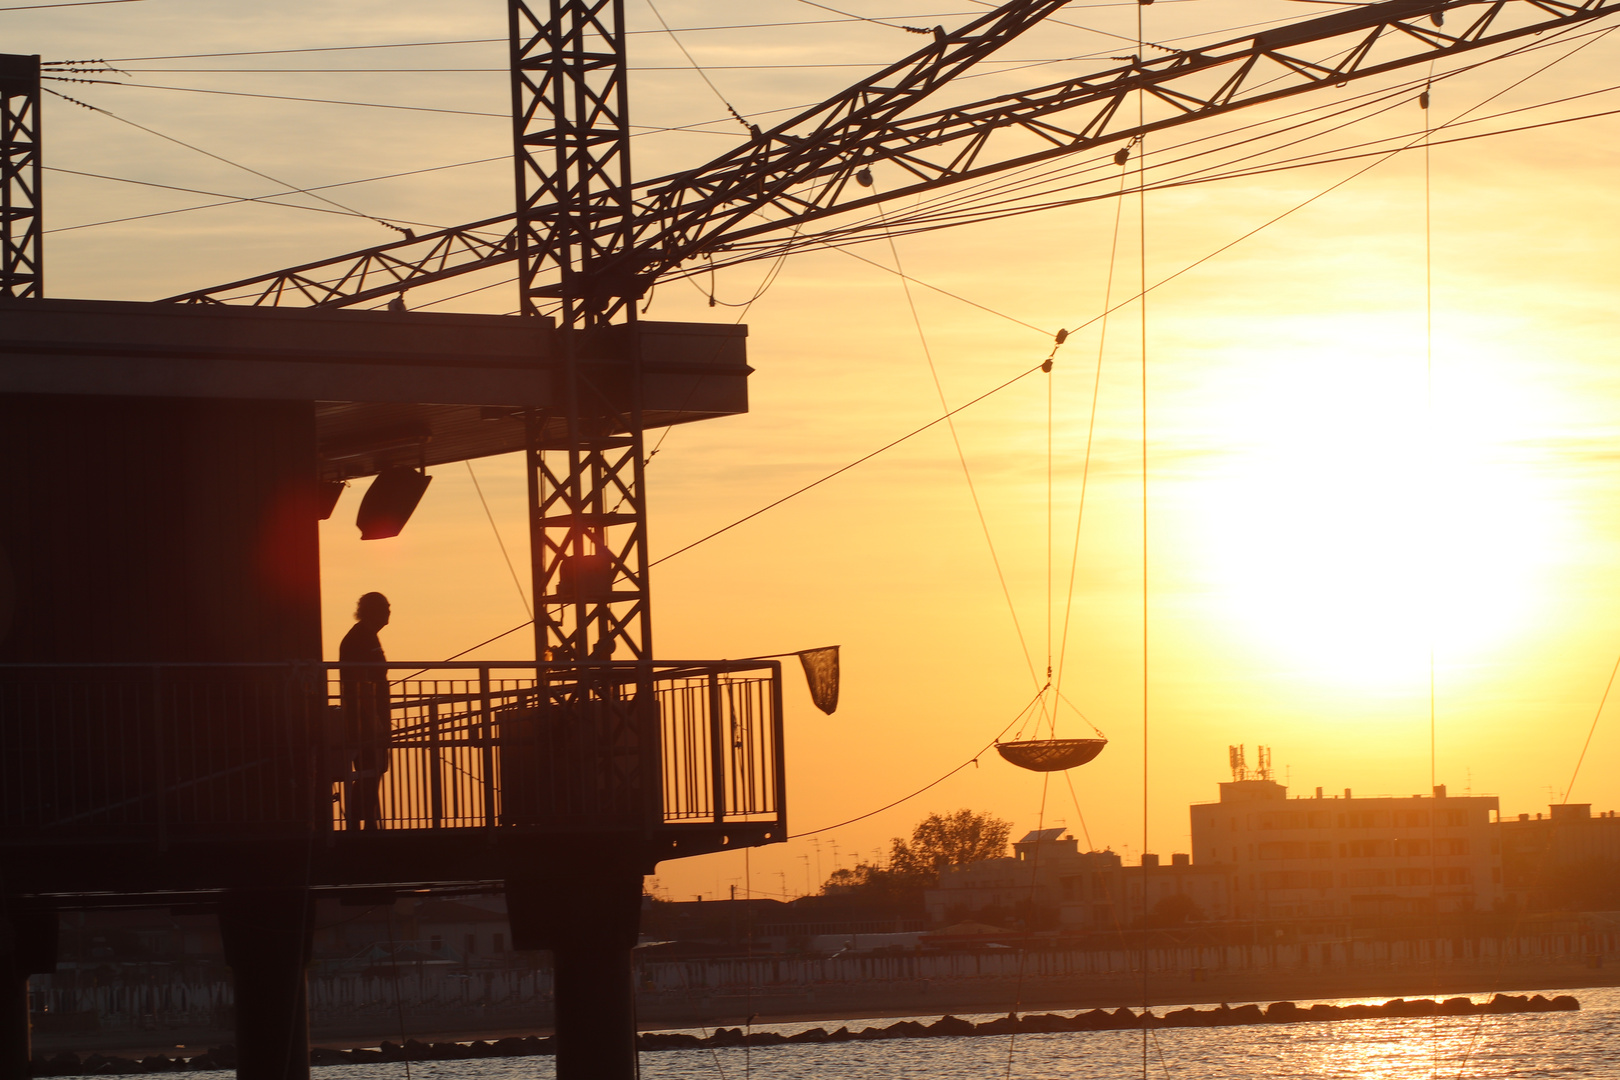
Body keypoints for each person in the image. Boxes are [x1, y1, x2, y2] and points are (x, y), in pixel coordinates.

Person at [339, 592, 392, 830]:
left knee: (373, 767)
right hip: (365, 718)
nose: (389, 612)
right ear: (372, 611)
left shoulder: (365, 636)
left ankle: (363, 818)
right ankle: (362, 821)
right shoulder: (362, 637)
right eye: (385, 607)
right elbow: (362, 680)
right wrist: (375, 719)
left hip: (368, 715)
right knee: (371, 767)